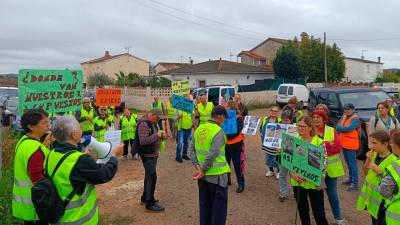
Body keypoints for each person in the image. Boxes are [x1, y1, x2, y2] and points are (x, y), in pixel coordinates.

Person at [48, 116, 123, 224]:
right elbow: (103, 175)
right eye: (79, 127)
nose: (82, 130)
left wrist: (82, 156)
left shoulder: (51, 154)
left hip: (58, 216)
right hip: (77, 219)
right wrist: (114, 156)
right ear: (74, 134)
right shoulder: (79, 160)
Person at [191, 105, 230, 225]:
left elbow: (192, 151)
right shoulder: (218, 131)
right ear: (219, 116)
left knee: (205, 207)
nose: (224, 120)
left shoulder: (199, 129)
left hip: (203, 178)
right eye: (224, 117)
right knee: (218, 211)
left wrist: (198, 168)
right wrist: (202, 170)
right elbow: (212, 154)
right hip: (217, 177)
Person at [12, 109, 51, 225]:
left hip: (27, 205)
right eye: (44, 123)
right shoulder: (35, 149)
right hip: (37, 207)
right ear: (31, 126)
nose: (48, 125)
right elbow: (39, 180)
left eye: (48, 122)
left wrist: (43, 145)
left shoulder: (24, 141)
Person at [290, 116, 329, 225]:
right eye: (298, 126)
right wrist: (292, 172)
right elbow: (289, 160)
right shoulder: (294, 140)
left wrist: (305, 175)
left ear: (310, 128)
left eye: (303, 126)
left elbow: (323, 164)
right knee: (302, 211)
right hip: (297, 181)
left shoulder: (319, 142)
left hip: (314, 183)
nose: (300, 128)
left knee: (319, 213)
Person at [312, 110, 345, 225]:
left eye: (318, 117)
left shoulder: (331, 130)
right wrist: (327, 144)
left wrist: (321, 146)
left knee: (332, 195)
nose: (315, 119)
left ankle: (338, 218)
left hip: (330, 170)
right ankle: (321, 220)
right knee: (317, 197)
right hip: (315, 169)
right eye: (314, 117)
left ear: (323, 118)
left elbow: (337, 148)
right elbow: (309, 149)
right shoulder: (310, 131)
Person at [357, 130, 397, 225]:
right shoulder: (373, 155)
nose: (371, 146)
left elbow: (394, 183)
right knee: (374, 220)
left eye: (375, 143)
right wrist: (368, 159)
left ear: (385, 144)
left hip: (383, 202)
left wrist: (379, 172)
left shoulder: (393, 160)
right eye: (371, 142)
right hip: (372, 198)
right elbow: (366, 172)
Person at [136, 108, 167, 212]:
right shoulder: (144, 124)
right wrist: (156, 135)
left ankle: (145, 197)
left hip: (152, 154)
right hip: (147, 154)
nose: (158, 120)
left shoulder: (152, 123)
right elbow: (143, 141)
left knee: (149, 176)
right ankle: (150, 203)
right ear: (153, 115)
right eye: (157, 118)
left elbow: (154, 136)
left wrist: (162, 136)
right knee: (152, 177)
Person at [336, 103, 361, 191]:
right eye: (345, 109)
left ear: (353, 109)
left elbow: (347, 129)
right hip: (344, 143)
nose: (347, 110)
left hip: (351, 144)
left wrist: (340, 128)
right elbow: (337, 126)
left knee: (352, 164)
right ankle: (351, 180)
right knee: (348, 163)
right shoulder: (344, 116)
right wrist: (340, 127)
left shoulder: (355, 119)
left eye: (349, 109)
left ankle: (355, 183)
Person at [379, 129, 400, 225]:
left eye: (392, 142)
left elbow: (384, 191)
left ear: (397, 145)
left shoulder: (395, 166)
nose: (390, 145)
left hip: (395, 214)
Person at [225, 101, 245, 193]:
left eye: (227, 107)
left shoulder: (239, 118)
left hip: (236, 145)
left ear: (232, 108)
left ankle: (241, 184)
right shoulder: (225, 117)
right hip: (226, 145)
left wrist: (226, 134)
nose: (226, 109)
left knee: (237, 166)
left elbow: (235, 133)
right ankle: (227, 180)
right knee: (226, 165)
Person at [260, 106, 281, 178]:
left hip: (276, 143)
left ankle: (278, 172)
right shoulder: (265, 119)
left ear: (278, 113)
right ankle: (271, 171)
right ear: (270, 111)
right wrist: (262, 137)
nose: (274, 112)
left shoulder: (280, 120)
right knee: (268, 157)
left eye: (276, 111)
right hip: (267, 143)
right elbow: (261, 128)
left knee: (276, 157)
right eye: (273, 111)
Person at [276, 111, 293, 202]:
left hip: (292, 157)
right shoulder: (278, 128)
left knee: (293, 176)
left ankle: (295, 192)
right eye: (283, 120)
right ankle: (283, 193)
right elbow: (274, 140)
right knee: (282, 175)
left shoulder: (295, 129)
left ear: (291, 120)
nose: (285, 122)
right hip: (281, 157)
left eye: (287, 120)